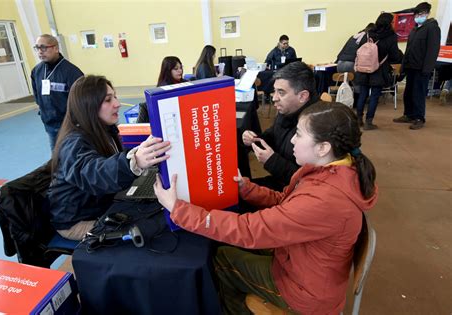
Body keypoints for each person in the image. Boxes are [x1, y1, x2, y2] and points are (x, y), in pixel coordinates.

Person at [154, 101, 378, 315]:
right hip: (305, 263)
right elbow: (286, 202)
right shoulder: (336, 170)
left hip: (305, 292)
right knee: (229, 244)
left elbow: (249, 230)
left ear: (323, 148)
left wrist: (179, 209)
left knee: (223, 259)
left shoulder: (325, 198)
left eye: (299, 135)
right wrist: (247, 188)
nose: (292, 141)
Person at [48, 75, 171, 240]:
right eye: (108, 100)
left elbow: (110, 162)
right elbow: (95, 174)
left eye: (115, 97)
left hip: (100, 204)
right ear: (88, 106)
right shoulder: (73, 143)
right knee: (146, 231)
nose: (117, 104)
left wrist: (141, 156)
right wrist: (134, 161)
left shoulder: (104, 129)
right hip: (77, 220)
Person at [241, 61, 319, 191]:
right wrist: (254, 139)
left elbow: (309, 183)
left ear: (302, 96)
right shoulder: (287, 111)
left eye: (281, 93)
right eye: (274, 91)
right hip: (281, 180)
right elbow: (273, 135)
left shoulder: (317, 125)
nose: (274, 98)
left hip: (295, 192)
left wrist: (272, 161)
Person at [31, 34, 84, 150]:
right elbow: (37, 96)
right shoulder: (36, 71)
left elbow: (82, 101)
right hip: (50, 126)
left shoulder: (72, 72)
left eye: (43, 47)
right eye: (37, 48)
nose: (40, 51)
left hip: (70, 127)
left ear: (55, 48)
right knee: (56, 159)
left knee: (74, 157)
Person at [393, 2, 441, 130]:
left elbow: (432, 50)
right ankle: (408, 115)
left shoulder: (432, 28)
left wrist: (427, 68)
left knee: (418, 94)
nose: (419, 16)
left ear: (427, 13)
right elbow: (408, 50)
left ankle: (419, 118)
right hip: (411, 67)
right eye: (417, 14)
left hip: (421, 69)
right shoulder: (415, 29)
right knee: (408, 93)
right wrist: (403, 66)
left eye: (421, 14)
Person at [354, 12, 403, 130]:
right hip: (379, 69)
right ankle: (369, 122)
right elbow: (394, 55)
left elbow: (359, 49)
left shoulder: (368, 34)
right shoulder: (391, 36)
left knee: (363, 94)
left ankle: (358, 119)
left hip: (363, 69)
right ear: (388, 23)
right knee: (375, 96)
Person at [138, 56, 187, 123]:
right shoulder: (163, 89)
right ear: (168, 71)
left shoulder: (185, 83)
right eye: (176, 69)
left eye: (181, 68)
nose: (180, 71)